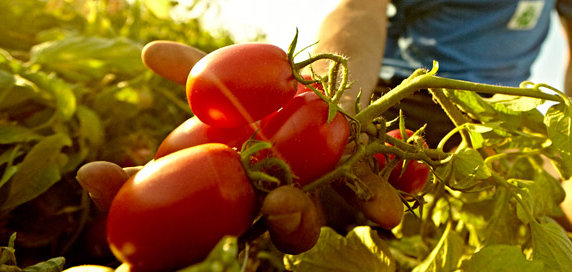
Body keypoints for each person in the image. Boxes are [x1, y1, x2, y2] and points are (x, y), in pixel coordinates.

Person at [77, 0, 572, 229]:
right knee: (288, 185)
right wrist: (335, 105)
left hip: (487, 121)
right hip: (391, 92)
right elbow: (359, 10)